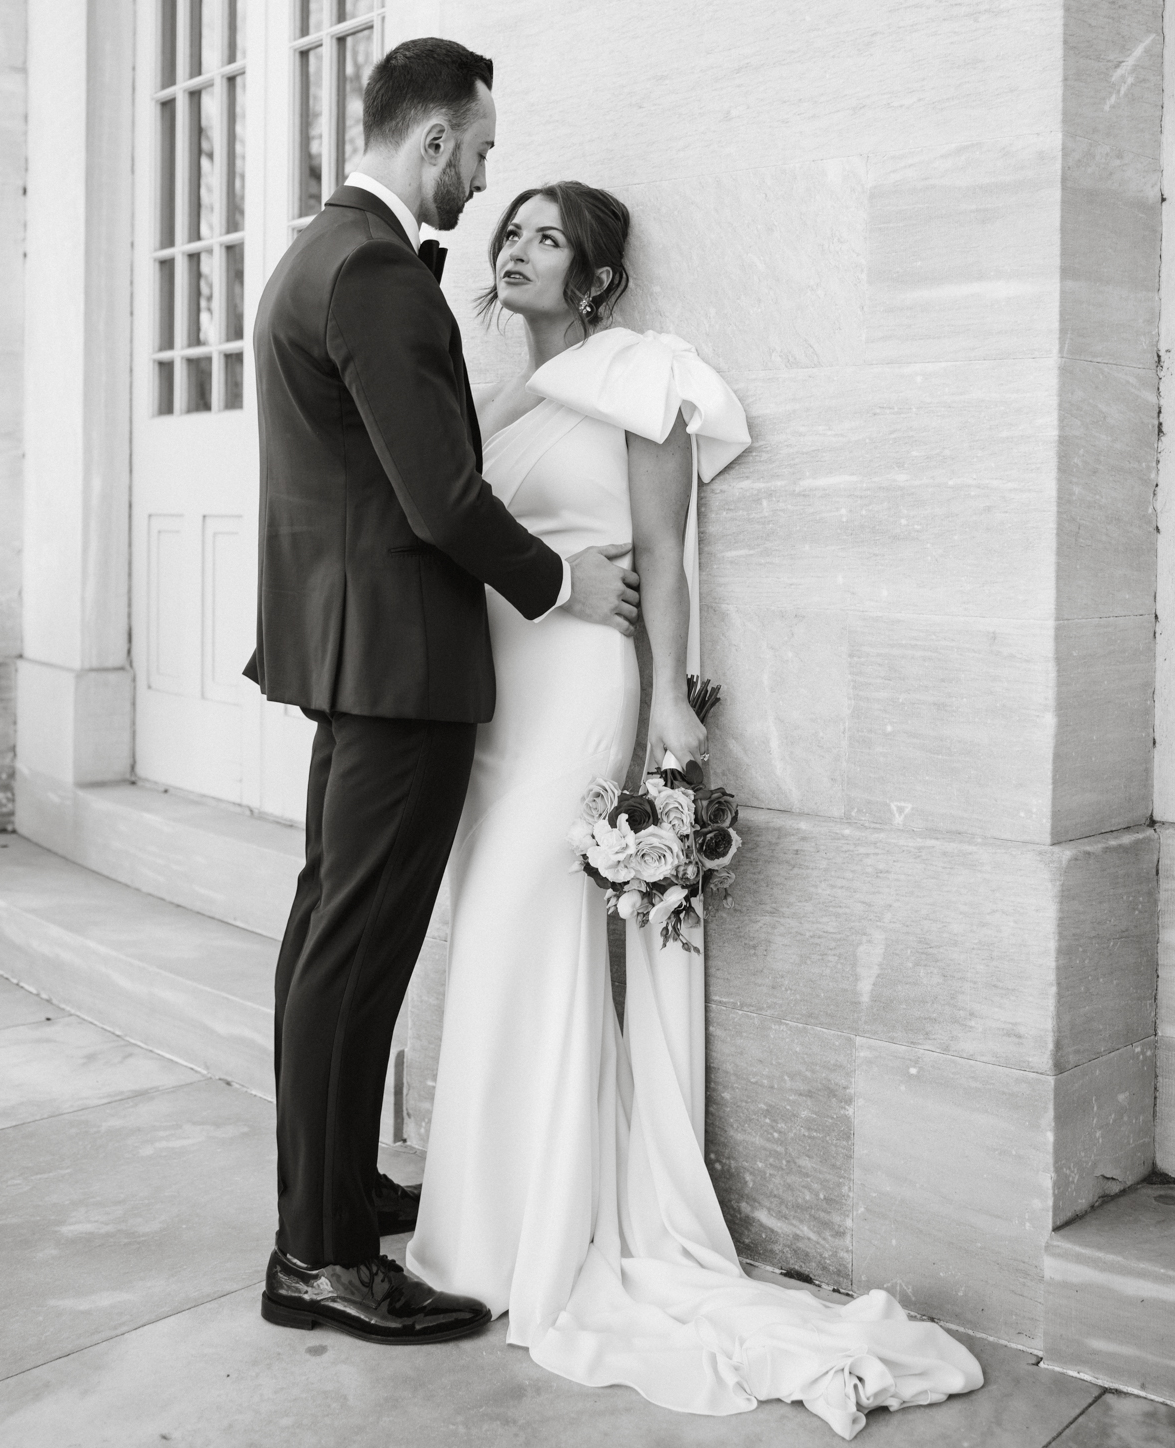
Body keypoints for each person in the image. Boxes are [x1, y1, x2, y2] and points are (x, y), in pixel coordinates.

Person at [406, 181, 984, 1436]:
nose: (517, 250)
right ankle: (485, 1227)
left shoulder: (643, 377)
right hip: (495, 697)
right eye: (512, 232)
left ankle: (538, 1236)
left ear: (598, 277)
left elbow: (663, 555)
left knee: (532, 934)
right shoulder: (496, 399)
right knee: (495, 946)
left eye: (547, 238)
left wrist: (670, 703)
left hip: (578, 697)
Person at [245, 40, 640, 1344]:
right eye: (477, 151)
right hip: (401, 664)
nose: (481, 179)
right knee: (353, 953)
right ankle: (323, 1257)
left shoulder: (320, 256)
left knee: (329, 940)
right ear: (430, 143)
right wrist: (561, 588)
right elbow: (440, 498)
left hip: (358, 654)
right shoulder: (371, 274)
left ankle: (334, 1194)